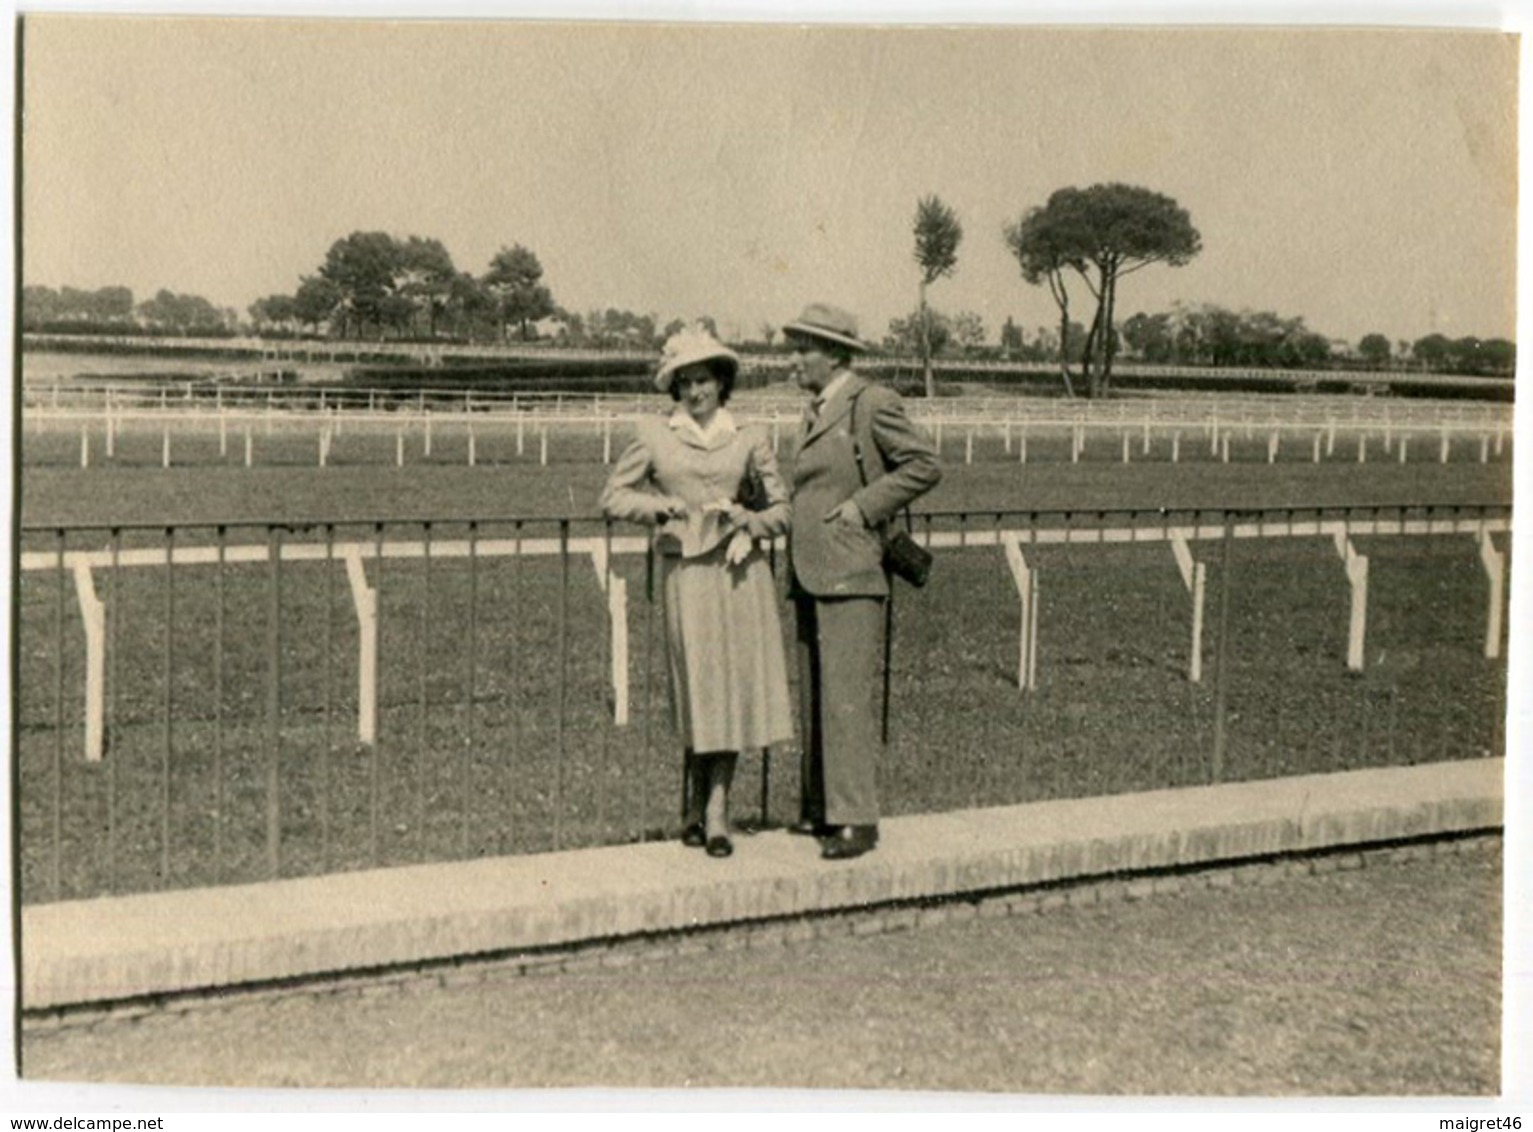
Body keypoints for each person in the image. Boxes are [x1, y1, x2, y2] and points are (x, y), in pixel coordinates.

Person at [600, 327, 794, 859]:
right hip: (686, 575)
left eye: (703, 380)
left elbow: (782, 509)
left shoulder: (749, 436)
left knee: (730, 691)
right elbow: (613, 496)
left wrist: (749, 521)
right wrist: (661, 509)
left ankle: (715, 810)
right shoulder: (654, 434)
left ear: (721, 382)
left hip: (739, 575)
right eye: (684, 382)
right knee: (698, 688)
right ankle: (692, 806)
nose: (694, 392)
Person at [783, 302, 942, 860]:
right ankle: (821, 808)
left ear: (833, 353)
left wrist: (861, 507)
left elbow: (923, 464)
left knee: (845, 699)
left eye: (803, 347)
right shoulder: (815, 409)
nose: (794, 357)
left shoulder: (870, 403)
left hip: (851, 571)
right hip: (809, 573)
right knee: (815, 696)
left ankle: (856, 819)